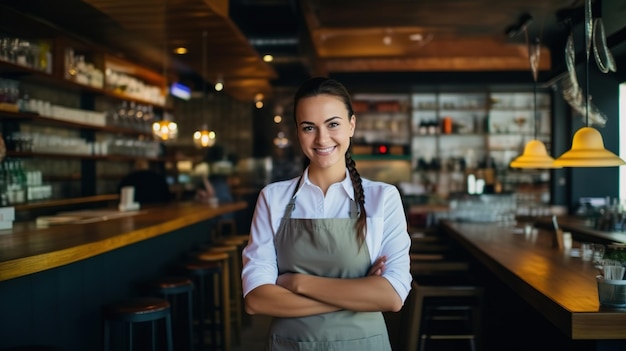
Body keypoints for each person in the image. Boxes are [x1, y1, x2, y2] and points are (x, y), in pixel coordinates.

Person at [241, 77, 412, 350]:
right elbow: (256, 300)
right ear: (297, 132)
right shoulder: (272, 198)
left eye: (333, 124)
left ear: (351, 125)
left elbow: (392, 297)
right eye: (309, 127)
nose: (322, 139)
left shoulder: (383, 199)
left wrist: (296, 282)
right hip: (291, 345)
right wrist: (359, 292)